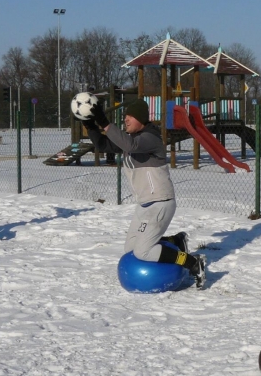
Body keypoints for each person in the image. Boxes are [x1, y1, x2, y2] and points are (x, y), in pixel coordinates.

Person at [81, 99, 206, 289]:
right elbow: (103, 145)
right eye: (124, 117)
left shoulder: (150, 138)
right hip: (145, 205)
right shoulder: (131, 139)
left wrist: (104, 122)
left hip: (161, 203)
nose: (126, 120)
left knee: (143, 252)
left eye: (130, 117)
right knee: (130, 248)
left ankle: (192, 263)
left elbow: (131, 145)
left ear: (141, 119)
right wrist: (90, 124)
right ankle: (175, 240)